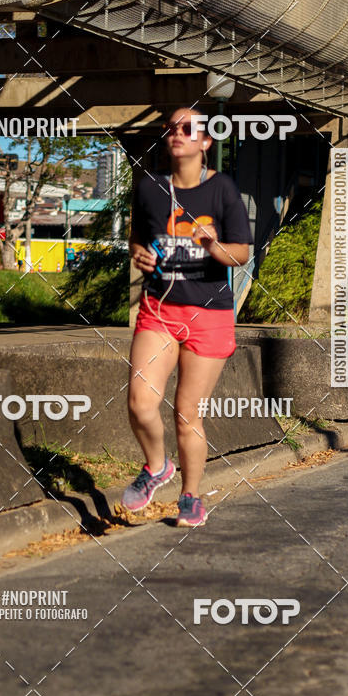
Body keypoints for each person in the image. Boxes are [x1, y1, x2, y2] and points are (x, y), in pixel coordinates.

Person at [122, 107, 252, 527]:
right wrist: (139, 255)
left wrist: (214, 246)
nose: (178, 133)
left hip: (209, 315)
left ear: (205, 142)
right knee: (141, 403)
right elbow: (137, 238)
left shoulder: (222, 190)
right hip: (159, 310)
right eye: (172, 128)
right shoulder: (149, 188)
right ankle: (157, 466)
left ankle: (191, 496)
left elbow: (242, 253)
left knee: (186, 412)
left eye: (188, 128)